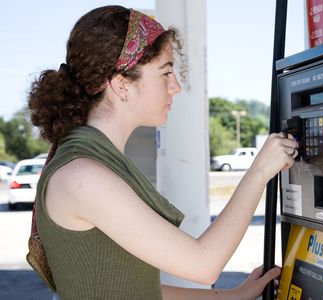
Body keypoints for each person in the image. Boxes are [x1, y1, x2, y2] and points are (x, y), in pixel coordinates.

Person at [27, 5, 299, 299]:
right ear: (121, 84)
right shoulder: (83, 176)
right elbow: (204, 264)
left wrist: (233, 296)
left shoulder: (95, 162)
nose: (176, 87)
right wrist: (259, 172)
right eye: (165, 73)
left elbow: (136, 288)